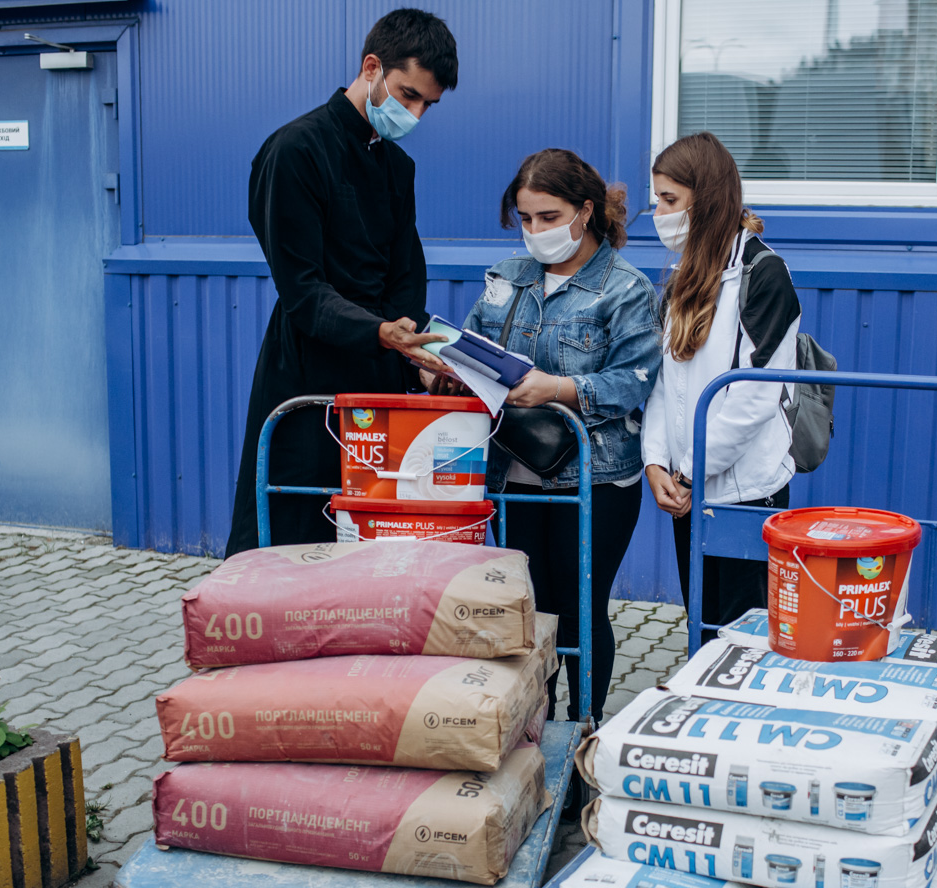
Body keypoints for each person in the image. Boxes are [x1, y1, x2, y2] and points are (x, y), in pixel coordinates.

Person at [225, 9, 458, 557]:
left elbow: (406, 286)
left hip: (381, 381)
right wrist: (382, 332)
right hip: (307, 377)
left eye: (428, 104)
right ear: (371, 67)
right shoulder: (294, 151)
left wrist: (429, 361)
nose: (416, 113)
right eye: (408, 94)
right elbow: (302, 291)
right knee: (294, 539)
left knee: (374, 546)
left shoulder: (398, 167)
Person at [451, 149, 662, 724]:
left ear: (585, 210)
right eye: (526, 218)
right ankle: (534, 728)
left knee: (580, 608)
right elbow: (473, 341)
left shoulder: (626, 289)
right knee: (533, 609)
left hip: (595, 476)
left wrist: (559, 388)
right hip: (516, 470)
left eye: (549, 216)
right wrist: (442, 363)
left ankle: (583, 728)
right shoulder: (508, 276)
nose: (536, 231)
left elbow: (634, 380)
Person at [641, 132, 801, 643]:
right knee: (703, 628)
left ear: (704, 196)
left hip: (743, 495)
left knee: (746, 637)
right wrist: (656, 463)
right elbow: (668, 382)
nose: (659, 213)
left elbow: (753, 396)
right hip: (689, 488)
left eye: (669, 199)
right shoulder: (687, 274)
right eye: (656, 200)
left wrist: (687, 472)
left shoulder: (764, 273)